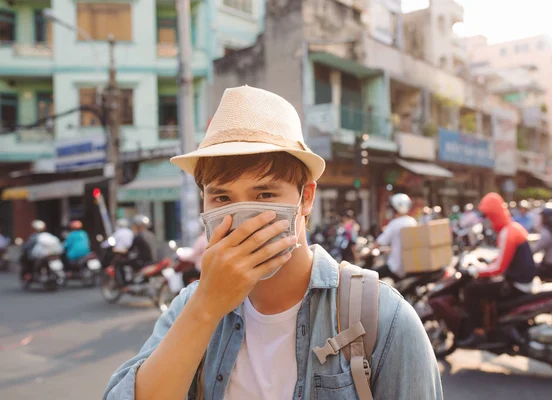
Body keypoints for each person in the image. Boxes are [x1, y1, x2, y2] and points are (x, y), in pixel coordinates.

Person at [103, 86, 441, 400]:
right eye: (222, 197)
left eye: (265, 194)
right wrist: (205, 308)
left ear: (306, 198)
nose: (243, 219)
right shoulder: (190, 307)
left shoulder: (386, 318)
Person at [459, 192, 536, 347]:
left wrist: (476, 271)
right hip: (523, 281)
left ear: (493, 215)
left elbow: (499, 268)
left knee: (471, 290)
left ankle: (479, 332)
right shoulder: (514, 228)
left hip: (516, 285)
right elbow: (503, 259)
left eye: (487, 216)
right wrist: (486, 265)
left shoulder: (507, 233)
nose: (485, 221)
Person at [376, 193, 417, 281]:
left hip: (395, 267)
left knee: (371, 275)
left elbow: (379, 242)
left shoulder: (395, 223)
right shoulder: (412, 221)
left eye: (392, 209)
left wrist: (364, 254)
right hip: (409, 266)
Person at [114, 215, 160, 287]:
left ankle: (124, 285)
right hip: (154, 260)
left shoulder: (139, 236)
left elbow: (130, 250)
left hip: (142, 261)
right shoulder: (151, 235)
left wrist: (121, 251)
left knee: (120, 264)